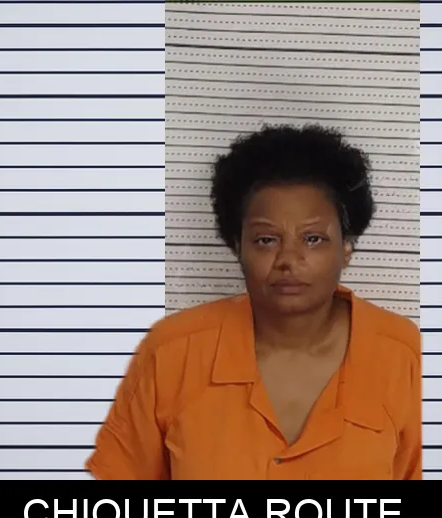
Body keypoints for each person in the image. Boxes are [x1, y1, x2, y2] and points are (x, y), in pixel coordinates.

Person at [85, 124, 422, 480]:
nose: (288, 259)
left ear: (346, 247)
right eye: (266, 240)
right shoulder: (171, 353)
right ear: (237, 246)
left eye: (312, 239)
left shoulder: (405, 358)